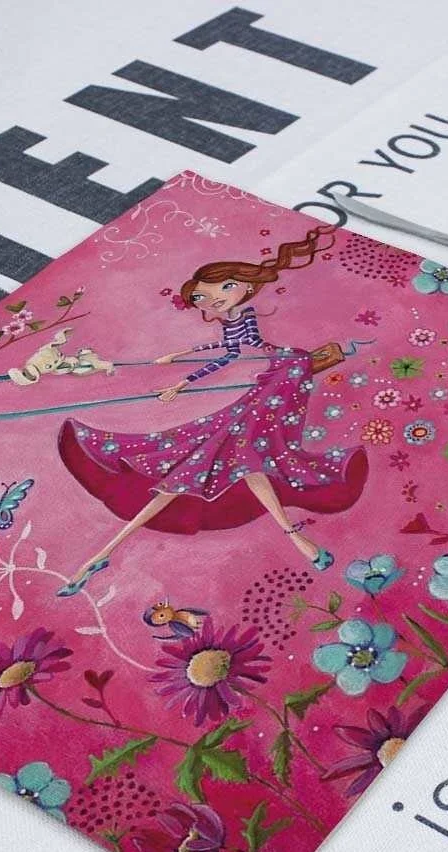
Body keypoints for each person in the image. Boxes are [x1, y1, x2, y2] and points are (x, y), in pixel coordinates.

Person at [55, 225, 369, 596]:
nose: (212, 300)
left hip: (277, 379)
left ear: (245, 286)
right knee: (214, 464)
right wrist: (181, 362)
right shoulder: (230, 321)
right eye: (203, 297)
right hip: (257, 397)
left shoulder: (247, 315)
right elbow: (227, 352)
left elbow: (245, 350)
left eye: (223, 288)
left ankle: (102, 554)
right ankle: (103, 554)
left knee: (229, 460)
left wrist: (184, 376)